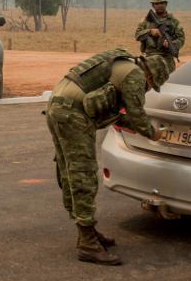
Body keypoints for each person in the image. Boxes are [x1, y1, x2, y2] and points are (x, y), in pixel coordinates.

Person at [46, 51, 169, 265]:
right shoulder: (135, 75)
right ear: (151, 76)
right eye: (151, 85)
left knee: (70, 172)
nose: (148, 88)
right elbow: (136, 114)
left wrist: (138, 127)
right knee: (83, 176)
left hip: (58, 107)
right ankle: (87, 244)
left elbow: (120, 115)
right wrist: (154, 133)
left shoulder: (121, 63)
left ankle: (89, 232)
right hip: (73, 115)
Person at [134, 0, 185, 74]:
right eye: (157, 3)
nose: (160, 5)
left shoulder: (174, 21)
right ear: (153, 5)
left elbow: (181, 39)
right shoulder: (146, 21)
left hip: (167, 60)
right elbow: (137, 35)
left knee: (168, 84)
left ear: (166, 4)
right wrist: (150, 31)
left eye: (162, 3)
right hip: (150, 58)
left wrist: (171, 44)